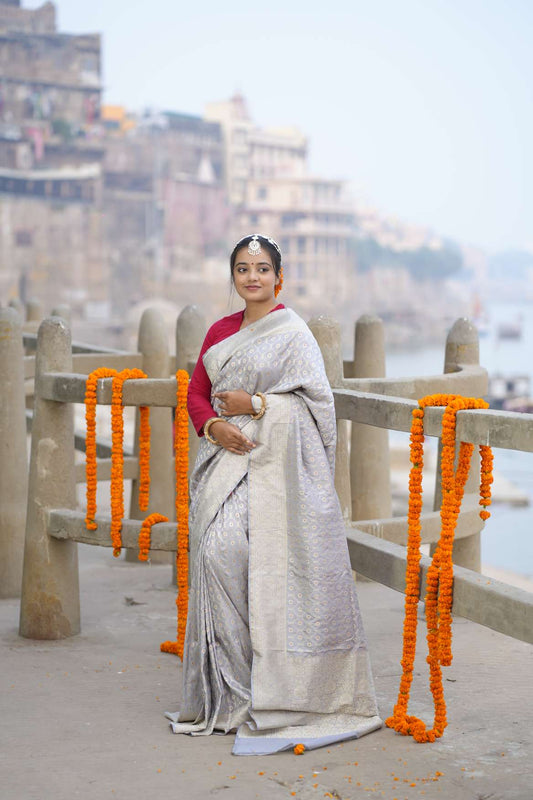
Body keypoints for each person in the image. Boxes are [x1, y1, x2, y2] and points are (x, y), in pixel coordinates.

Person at [165, 234, 381, 755]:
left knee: (264, 563)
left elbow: (317, 404)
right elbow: (195, 393)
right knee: (218, 553)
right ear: (233, 278)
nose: (253, 277)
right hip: (225, 459)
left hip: (277, 464)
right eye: (243, 268)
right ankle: (234, 694)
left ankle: (278, 688)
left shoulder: (295, 333)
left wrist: (257, 403)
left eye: (262, 268)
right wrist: (214, 426)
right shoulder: (219, 331)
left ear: (278, 278)